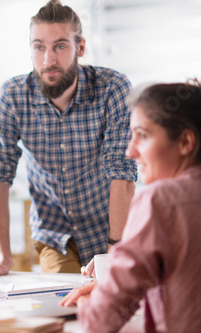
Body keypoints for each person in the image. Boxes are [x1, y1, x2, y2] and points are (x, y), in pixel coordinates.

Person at [0, 0, 137, 275]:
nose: (48, 60)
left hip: (112, 228)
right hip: (55, 235)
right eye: (39, 46)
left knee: (116, 302)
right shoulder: (12, 95)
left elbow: (122, 175)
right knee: (65, 304)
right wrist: (4, 256)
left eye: (60, 46)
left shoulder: (113, 88)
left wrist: (116, 247)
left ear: (80, 47)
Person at [61, 80, 201, 332]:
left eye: (142, 135)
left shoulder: (160, 200)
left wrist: (86, 303)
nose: (130, 151)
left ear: (185, 143)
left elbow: (101, 321)